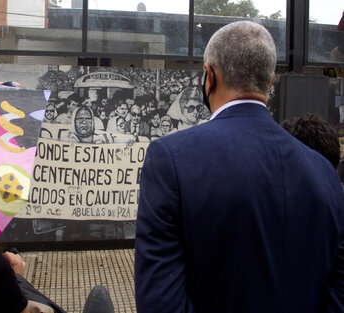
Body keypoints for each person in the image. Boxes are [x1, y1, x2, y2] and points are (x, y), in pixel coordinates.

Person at [135, 21, 344, 313]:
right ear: (271, 81)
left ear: (209, 76)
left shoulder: (170, 160)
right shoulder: (325, 173)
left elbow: (160, 300)